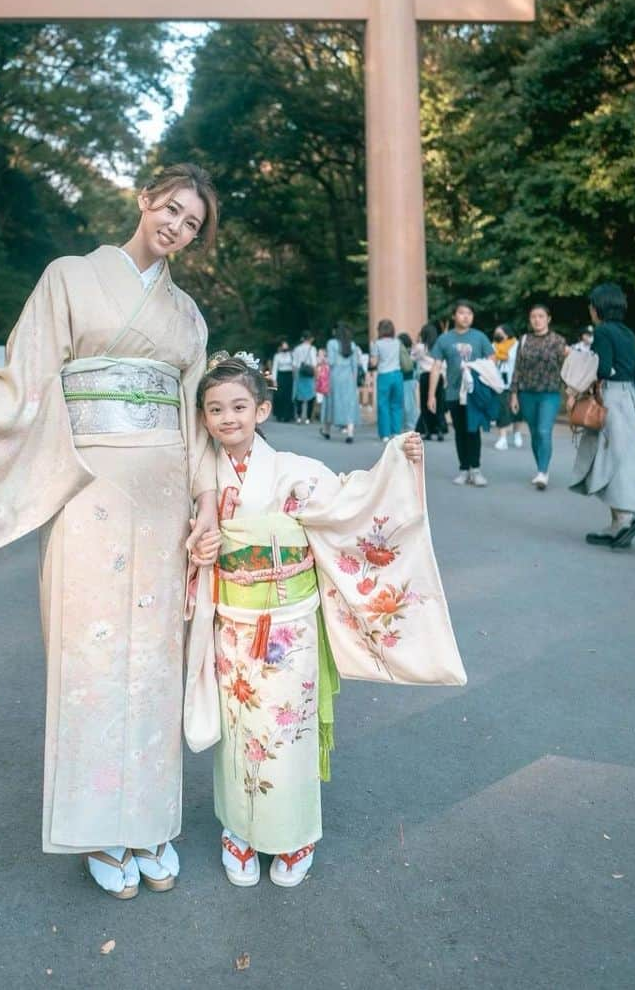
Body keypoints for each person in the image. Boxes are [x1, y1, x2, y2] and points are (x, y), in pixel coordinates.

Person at [0, 163, 220, 899]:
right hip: (86, 492)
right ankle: (99, 825)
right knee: (92, 655)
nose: (177, 228)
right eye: (173, 210)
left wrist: (206, 506)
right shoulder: (69, 277)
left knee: (155, 658)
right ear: (145, 198)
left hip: (161, 501)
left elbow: (195, 423)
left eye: (192, 224)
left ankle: (150, 820)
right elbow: (22, 384)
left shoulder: (189, 318)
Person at [185, 355, 465, 890]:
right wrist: (202, 542)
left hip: (289, 624)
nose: (227, 418)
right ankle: (238, 832)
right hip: (233, 620)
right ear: (202, 417)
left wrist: (397, 465)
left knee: (287, 730)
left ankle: (294, 835)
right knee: (240, 728)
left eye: (239, 406)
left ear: (262, 408)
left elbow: (353, 504)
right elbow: (187, 534)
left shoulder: (292, 470)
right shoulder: (202, 479)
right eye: (215, 409)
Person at [568, 281, 635, 549]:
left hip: (611, 399)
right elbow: (632, 372)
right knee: (620, 457)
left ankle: (624, 518)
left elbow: (603, 369)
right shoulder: (629, 333)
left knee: (608, 458)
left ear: (598, 308)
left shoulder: (603, 331)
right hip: (629, 398)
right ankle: (619, 521)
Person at [427, 301, 494, 487]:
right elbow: (436, 367)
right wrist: (431, 395)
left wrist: (481, 374)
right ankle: (464, 469)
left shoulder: (480, 337)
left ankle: (476, 469)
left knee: (474, 430)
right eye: (462, 313)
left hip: (475, 393)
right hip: (454, 393)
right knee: (460, 431)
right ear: (454, 316)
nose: (466, 316)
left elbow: (491, 360)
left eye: (469, 313)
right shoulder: (445, 339)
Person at [507, 304, 568, 489]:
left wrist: (572, 392)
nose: (537, 320)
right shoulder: (524, 340)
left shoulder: (558, 341)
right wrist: (514, 394)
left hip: (550, 393)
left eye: (541, 316)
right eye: (533, 316)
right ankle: (541, 468)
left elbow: (567, 367)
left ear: (548, 318)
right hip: (527, 393)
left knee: (544, 431)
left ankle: (543, 472)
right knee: (534, 433)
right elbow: (517, 368)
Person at [323, 323, 361, 443]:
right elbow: (354, 365)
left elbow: (332, 362)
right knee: (349, 404)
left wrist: (324, 359)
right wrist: (354, 381)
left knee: (331, 402)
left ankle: (327, 431)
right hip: (349, 377)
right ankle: (350, 433)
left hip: (335, 377)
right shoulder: (353, 345)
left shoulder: (331, 343)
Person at [368, 318, 404, 440]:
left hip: (384, 375)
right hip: (397, 374)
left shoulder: (377, 344)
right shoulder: (398, 342)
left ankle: (385, 434)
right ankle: (396, 432)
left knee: (383, 405)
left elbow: (374, 363)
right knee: (397, 404)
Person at [491, 324, 524, 451]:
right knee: (502, 410)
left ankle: (517, 433)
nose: (497, 335)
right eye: (496, 333)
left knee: (517, 411)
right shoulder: (493, 346)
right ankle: (502, 437)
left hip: (515, 382)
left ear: (507, 333)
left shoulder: (517, 345)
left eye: (499, 333)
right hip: (499, 383)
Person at [415, 321, 446, 441]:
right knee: (439, 403)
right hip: (439, 375)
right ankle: (439, 430)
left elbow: (413, 357)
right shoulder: (440, 346)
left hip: (425, 375)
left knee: (425, 403)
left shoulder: (420, 347)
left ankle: (427, 430)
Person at [292, 332, 317, 424]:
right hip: (309, 373)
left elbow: (294, 364)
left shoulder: (297, 349)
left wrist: (294, 375)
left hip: (299, 372)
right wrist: (316, 375)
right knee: (310, 395)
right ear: (311, 339)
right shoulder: (312, 349)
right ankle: (308, 418)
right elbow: (314, 363)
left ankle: (298, 416)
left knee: (299, 395)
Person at [398, 332, 419, 431]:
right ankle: (412, 424)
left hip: (405, 379)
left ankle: (407, 425)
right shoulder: (413, 352)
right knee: (411, 404)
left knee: (405, 404)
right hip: (412, 379)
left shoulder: (402, 352)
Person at [271, 341, 295, 423]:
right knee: (280, 395)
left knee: (288, 396)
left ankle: (288, 415)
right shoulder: (277, 356)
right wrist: (274, 380)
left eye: (286, 346)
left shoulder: (291, 355)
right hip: (280, 376)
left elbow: (294, 366)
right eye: (283, 346)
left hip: (289, 376)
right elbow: (275, 368)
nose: (285, 348)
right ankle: (279, 414)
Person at [313, 346, 330, 424]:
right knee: (318, 399)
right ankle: (318, 414)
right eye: (319, 353)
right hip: (318, 382)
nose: (320, 355)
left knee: (324, 399)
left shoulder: (327, 361)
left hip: (325, 382)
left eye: (322, 353)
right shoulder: (316, 361)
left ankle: (323, 415)